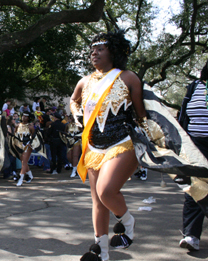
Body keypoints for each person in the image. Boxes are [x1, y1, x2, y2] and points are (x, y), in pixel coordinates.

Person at [71, 30, 146, 261]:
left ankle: (128, 221)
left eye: (100, 49)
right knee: (98, 202)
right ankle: (102, 252)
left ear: (113, 51)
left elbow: (142, 115)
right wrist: (77, 115)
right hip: (94, 147)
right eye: (92, 50)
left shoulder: (128, 78)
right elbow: (73, 101)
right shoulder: (84, 81)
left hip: (122, 143)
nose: (94, 53)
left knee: (105, 192)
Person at [177, 46, 208, 250]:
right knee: (194, 188)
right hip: (195, 146)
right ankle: (191, 236)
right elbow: (183, 117)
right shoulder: (195, 87)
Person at [9, 112, 45, 186]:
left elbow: (34, 136)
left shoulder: (30, 127)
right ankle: (30, 176)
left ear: (28, 118)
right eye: (23, 116)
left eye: (26, 116)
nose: (23, 117)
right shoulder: (18, 125)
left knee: (24, 162)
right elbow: (16, 135)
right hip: (20, 145)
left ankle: (21, 179)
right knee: (23, 161)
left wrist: (30, 143)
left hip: (28, 145)